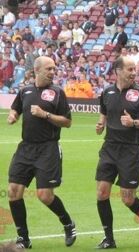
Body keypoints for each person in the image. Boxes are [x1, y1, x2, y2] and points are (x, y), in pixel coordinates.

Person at [7, 56, 76, 249]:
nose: (53, 72)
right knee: (13, 192)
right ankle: (23, 238)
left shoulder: (57, 93)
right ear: (37, 70)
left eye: (54, 68)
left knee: (44, 195)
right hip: (26, 147)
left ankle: (68, 224)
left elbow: (67, 122)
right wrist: (13, 116)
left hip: (48, 148)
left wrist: (45, 114)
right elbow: (15, 109)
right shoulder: (25, 91)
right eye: (49, 69)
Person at [95, 56, 139, 249]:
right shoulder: (107, 92)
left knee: (127, 198)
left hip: (131, 150)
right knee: (102, 193)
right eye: (130, 69)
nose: (134, 73)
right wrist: (101, 124)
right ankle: (109, 238)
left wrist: (134, 123)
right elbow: (104, 112)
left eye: (134, 70)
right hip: (109, 148)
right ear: (118, 71)